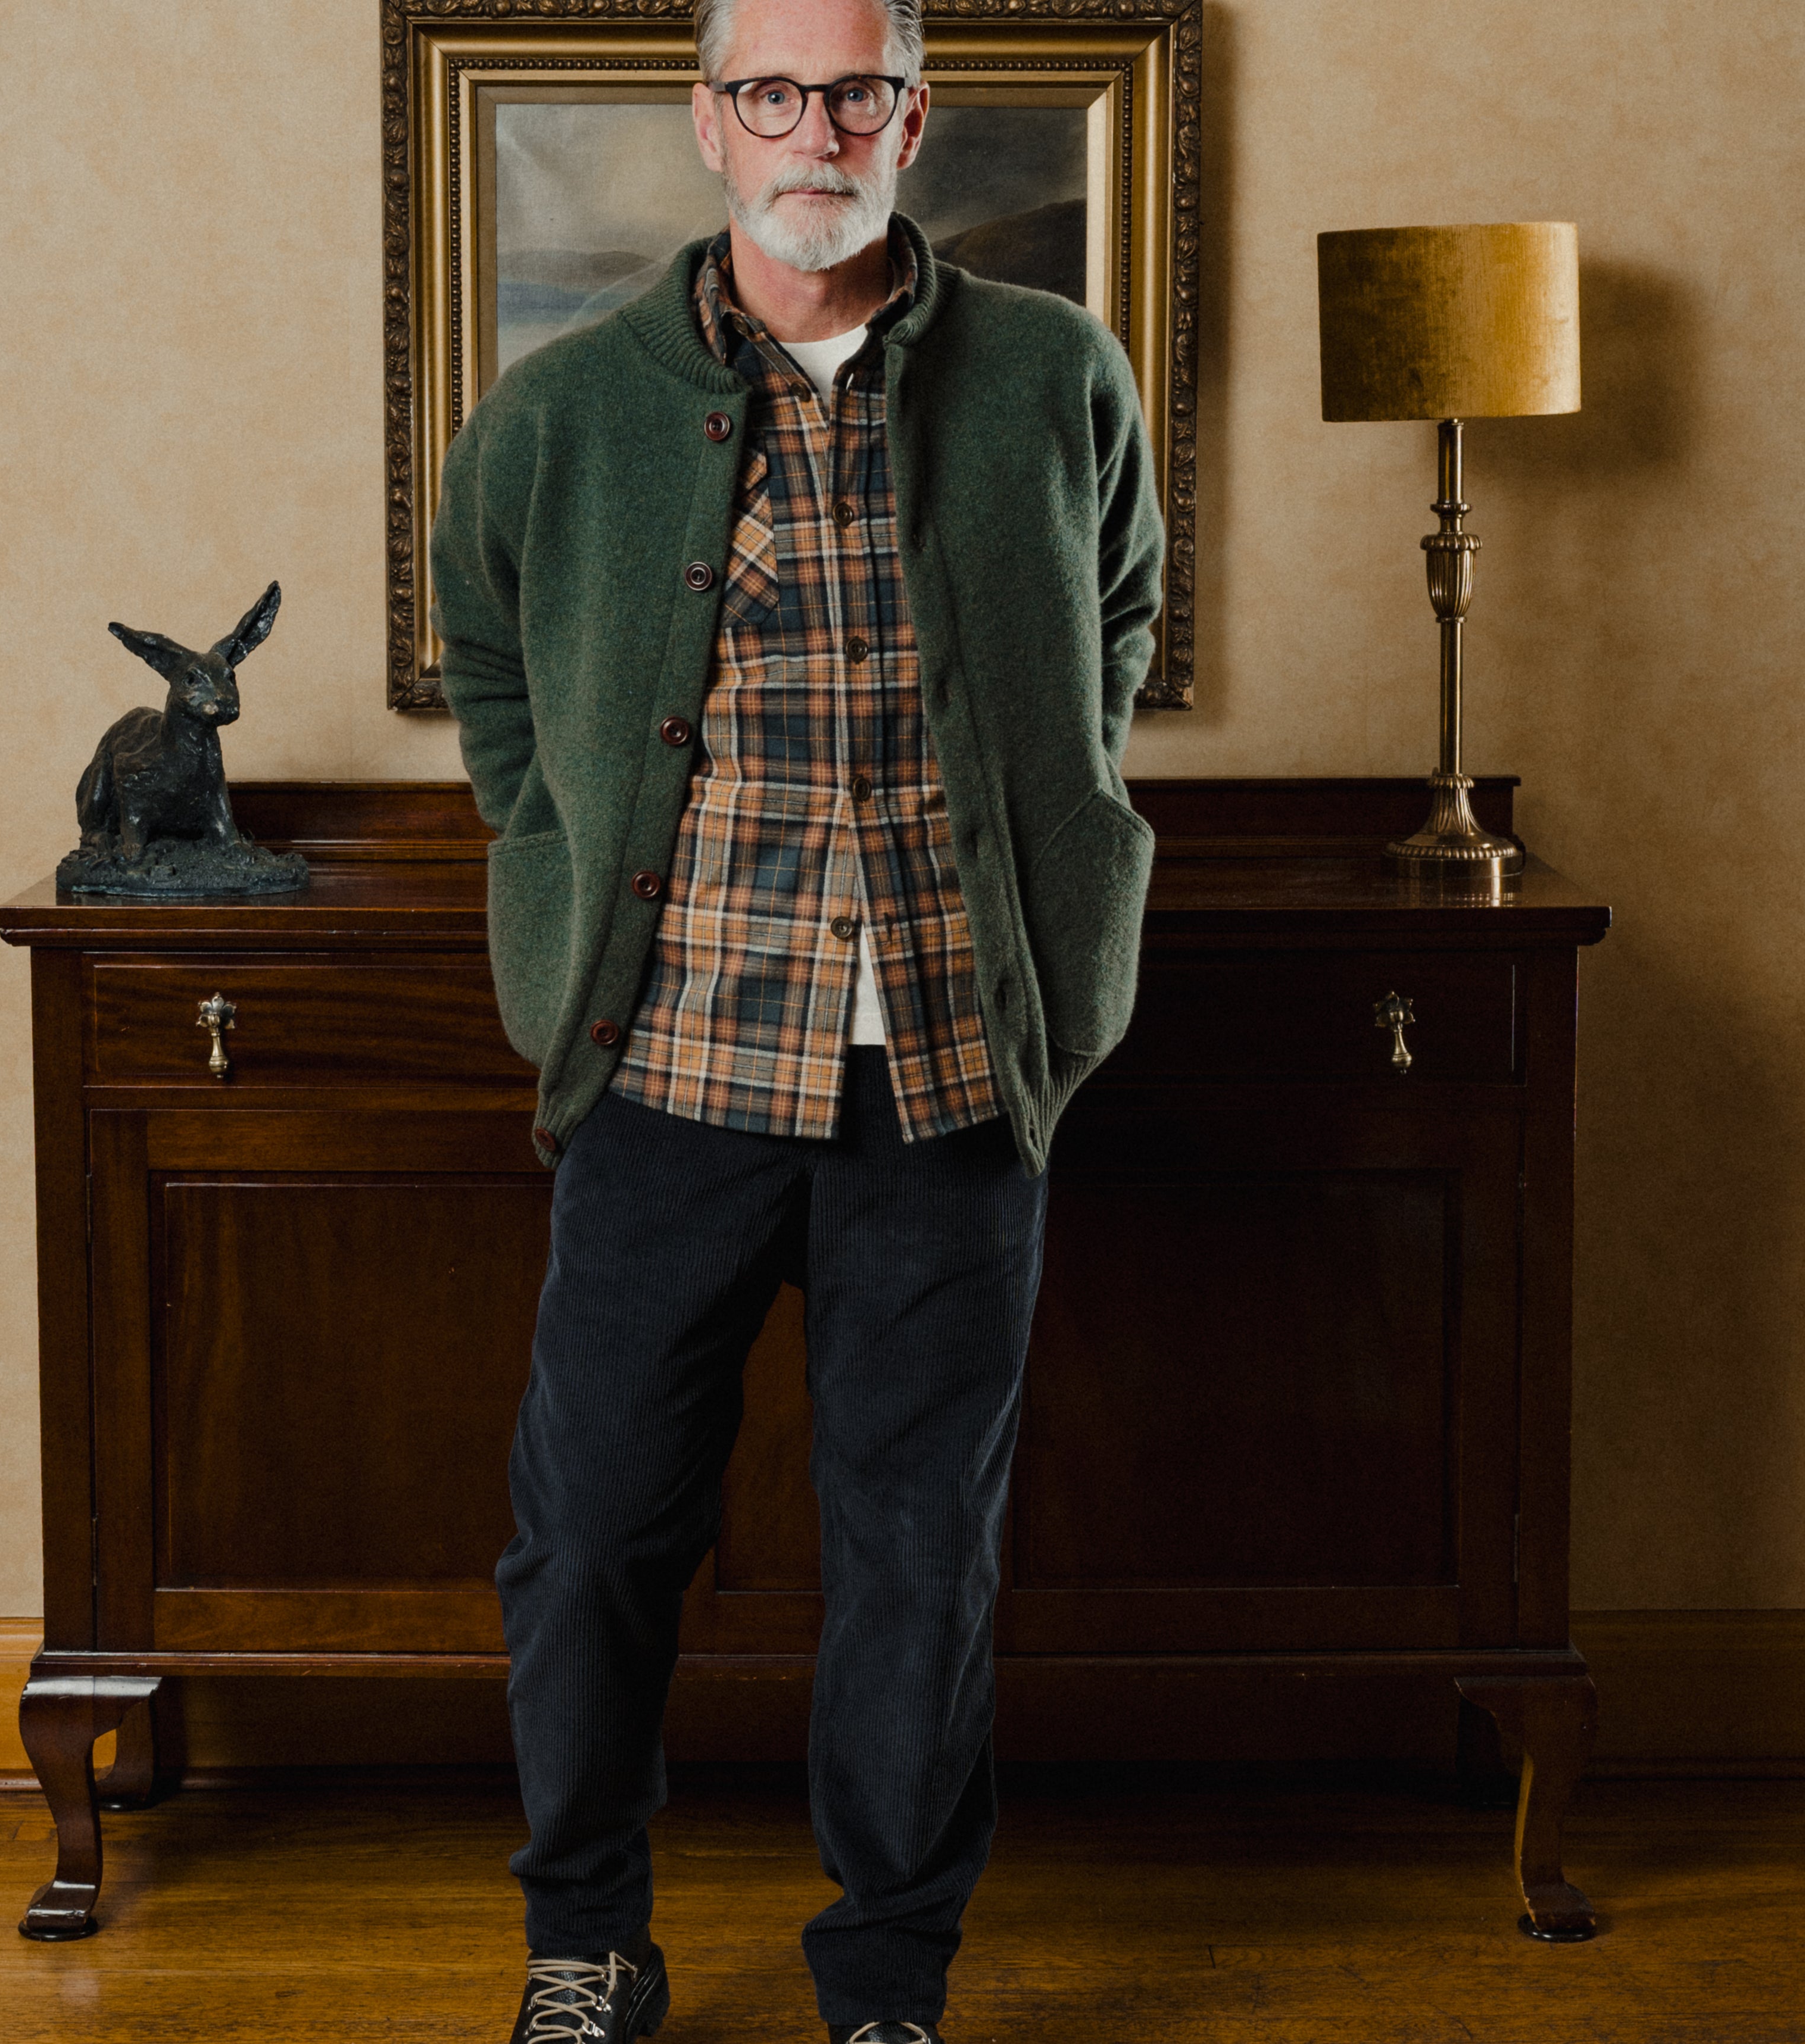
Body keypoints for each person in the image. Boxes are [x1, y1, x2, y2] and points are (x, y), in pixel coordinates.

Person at [431, 0, 1164, 2036]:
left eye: (853, 92)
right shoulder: (564, 409)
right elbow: (486, 659)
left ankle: (887, 1977)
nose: (812, 129)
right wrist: (551, 851)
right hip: (667, 1060)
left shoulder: (1054, 372)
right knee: (592, 1536)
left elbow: (1115, 616)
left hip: (950, 1062)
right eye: (771, 92)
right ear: (710, 123)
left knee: (919, 1551)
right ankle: (584, 1939)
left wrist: (1067, 844)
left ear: (912, 119)